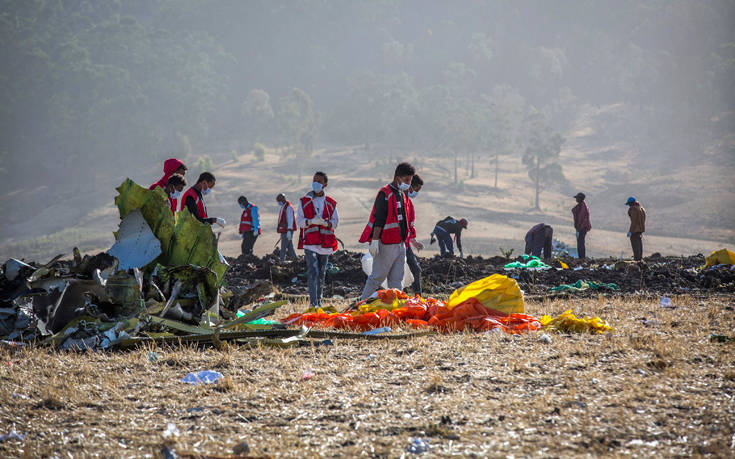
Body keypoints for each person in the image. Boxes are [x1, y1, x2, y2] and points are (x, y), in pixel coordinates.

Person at [359, 162, 415, 301]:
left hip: (400, 243)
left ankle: (394, 308)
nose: (409, 183)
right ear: (398, 178)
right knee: (377, 277)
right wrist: (375, 241)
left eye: (410, 180)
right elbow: (379, 219)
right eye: (407, 180)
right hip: (387, 243)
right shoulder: (385, 194)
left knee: (397, 280)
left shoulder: (401, 193)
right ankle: (362, 303)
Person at [296, 172, 339, 308]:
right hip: (310, 242)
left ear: (325, 185)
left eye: (319, 181)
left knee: (322, 273)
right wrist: (310, 221)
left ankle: (319, 301)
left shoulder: (331, 203)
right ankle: (313, 303)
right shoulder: (304, 201)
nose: (316, 183)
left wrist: (326, 223)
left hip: (325, 244)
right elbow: (300, 221)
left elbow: (335, 222)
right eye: (314, 180)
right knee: (313, 271)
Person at [405, 174, 424, 296]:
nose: (416, 193)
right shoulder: (399, 201)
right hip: (396, 243)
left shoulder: (409, 204)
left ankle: (418, 297)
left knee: (416, 270)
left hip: (405, 244)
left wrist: (414, 242)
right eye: (416, 189)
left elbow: (409, 226)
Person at [276, 193, 298, 261]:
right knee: (289, 247)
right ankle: (295, 259)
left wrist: (289, 230)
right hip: (284, 231)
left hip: (287, 231)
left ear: (282, 199)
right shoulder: (284, 207)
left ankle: (281, 261)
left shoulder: (288, 207)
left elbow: (290, 219)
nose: (278, 202)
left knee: (283, 247)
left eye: (279, 201)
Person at [571, 192, 591, 259]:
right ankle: (581, 257)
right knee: (580, 243)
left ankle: (582, 258)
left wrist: (579, 228)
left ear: (580, 199)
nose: (576, 199)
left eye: (577, 198)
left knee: (580, 243)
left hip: (582, 228)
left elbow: (582, 219)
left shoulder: (583, 207)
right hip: (581, 228)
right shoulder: (581, 206)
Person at [626, 196, 646, 261]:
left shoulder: (633, 209)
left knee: (635, 245)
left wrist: (630, 231)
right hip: (640, 230)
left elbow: (633, 222)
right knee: (639, 244)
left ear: (631, 203)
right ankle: (640, 258)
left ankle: (637, 259)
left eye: (629, 204)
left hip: (635, 230)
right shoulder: (641, 209)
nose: (629, 206)